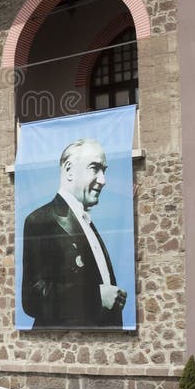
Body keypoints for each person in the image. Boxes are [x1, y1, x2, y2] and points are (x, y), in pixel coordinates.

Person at [21, 138, 127, 329]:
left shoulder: (85, 220)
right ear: (69, 170)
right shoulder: (40, 220)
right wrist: (96, 297)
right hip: (64, 342)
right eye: (95, 168)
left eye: (104, 170)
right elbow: (32, 298)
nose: (103, 180)